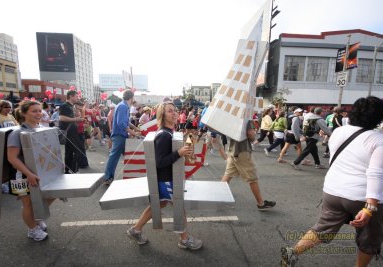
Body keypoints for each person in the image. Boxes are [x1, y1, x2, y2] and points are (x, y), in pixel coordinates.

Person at [281, 96, 383, 267]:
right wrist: (370, 208)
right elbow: (377, 174)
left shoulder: (339, 132)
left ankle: (293, 252)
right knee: (370, 239)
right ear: (379, 117)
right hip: (362, 197)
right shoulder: (379, 140)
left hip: (333, 191)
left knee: (322, 229)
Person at [126, 101, 203, 250]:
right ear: (162, 115)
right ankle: (184, 240)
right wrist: (179, 153)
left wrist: (181, 151)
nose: (174, 113)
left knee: (159, 204)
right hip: (166, 180)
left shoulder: (168, 133)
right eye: (169, 111)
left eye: (175, 110)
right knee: (179, 207)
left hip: (165, 179)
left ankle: (135, 230)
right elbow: (160, 162)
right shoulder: (164, 136)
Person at [7, 100, 56, 241]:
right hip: (20, 175)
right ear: (23, 113)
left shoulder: (41, 128)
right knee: (27, 203)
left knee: (50, 195)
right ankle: (32, 229)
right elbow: (12, 158)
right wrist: (28, 174)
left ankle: (36, 217)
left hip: (42, 172)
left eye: (40, 110)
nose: (39, 113)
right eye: (34, 111)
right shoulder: (17, 133)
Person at [222, 120, 276, 211]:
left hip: (232, 151)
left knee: (228, 175)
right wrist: (253, 134)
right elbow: (250, 134)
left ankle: (218, 195)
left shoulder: (232, 118)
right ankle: (261, 203)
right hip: (243, 151)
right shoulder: (246, 119)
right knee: (252, 178)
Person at [103, 90, 141, 185]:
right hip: (119, 135)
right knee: (114, 157)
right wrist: (133, 132)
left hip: (122, 135)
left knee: (129, 155)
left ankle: (133, 176)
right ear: (131, 98)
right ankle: (107, 177)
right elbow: (121, 123)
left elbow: (126, 122)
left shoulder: (124, 106)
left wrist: (135, 128)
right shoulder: (123, 106)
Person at [59, 90, 84, 174]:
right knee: (75, 151)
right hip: (68, 132)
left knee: (70, 151)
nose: (78, 98)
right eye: (76, 96)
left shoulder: (72, 106)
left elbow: (72, 118)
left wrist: (78, 116)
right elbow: (62, 118)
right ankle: (71, 169)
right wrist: (76, 119)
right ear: (71, 96)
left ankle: (70, 170)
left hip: (73, 131)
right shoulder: (64, 106)